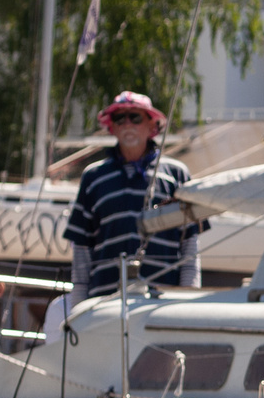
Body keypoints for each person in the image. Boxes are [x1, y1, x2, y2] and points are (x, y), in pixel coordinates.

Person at [63, 90, 201, 298]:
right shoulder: (93, 177)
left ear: (151, 126)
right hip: (103, 302)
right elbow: (82, 248)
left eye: (135, 117)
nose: (127, 124)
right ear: (112, 127)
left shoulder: (177, 174)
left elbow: (190, 244)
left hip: (162, 302)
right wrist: (78, 305)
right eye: (120, 118)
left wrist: (187, 298)